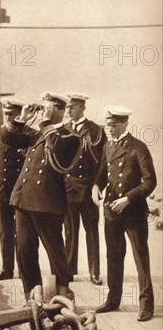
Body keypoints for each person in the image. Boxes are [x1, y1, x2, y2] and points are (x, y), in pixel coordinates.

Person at [8, 92, 81, 300]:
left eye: (48, 107)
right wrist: (22, 118)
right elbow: (10, 140)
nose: (44, 111)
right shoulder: (37, 133)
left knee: (55, 250)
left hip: (47, 202)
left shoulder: (70, 136)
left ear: (61, 110)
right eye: (44, 107)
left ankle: (62, 290)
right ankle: (31, 292)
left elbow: (58, 151)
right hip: (23, 199)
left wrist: (46, 122)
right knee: (24, 249)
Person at [92, 106, 157, 321]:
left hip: (134, 212)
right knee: (114, 256)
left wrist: (128, 198)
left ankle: (146, 304)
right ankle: (113, 299)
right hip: (111, 212)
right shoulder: (108, 147)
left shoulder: (138, 148)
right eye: (107, 125)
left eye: (113, 126)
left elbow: (150, 182)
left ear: (125, 124)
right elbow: (101, 174)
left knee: (140, 258)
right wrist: (95, 187)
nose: (109, 130)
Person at [63, 93, 107, 284]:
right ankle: (69, 270)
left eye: (72, 107)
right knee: (70, 232)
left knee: (92, 231)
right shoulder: (63, 129)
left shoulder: (96, 130)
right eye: (67, 107)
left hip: (89, 189)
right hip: (69, 188)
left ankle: (94, 272)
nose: (68, 111)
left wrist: (97, 185)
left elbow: (103, 163)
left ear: (82, 107)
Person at [0, 98, 31, 280]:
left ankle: (24, 270)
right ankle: (7, 269)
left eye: (12, 114)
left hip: (21, 189)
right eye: (6, 114)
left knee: (23, 233)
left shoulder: (29, 133)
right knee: (5, 231)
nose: (8, 117)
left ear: (19, 115)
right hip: (3, 188)